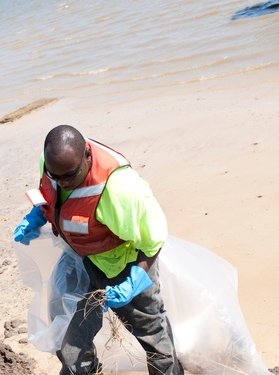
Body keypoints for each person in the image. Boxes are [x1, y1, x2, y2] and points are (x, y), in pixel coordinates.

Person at [13, 125, 183, 375]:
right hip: (80, 260)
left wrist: (136, 278)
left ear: (88, 156)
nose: (62, 183)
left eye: (69, 176)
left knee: (152, 334)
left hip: (125, 265)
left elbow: (153, 241)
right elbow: (54, 197)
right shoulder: (54, 165)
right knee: (68, 331)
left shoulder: (120, 189)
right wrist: (38, 213)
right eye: (55, 176)